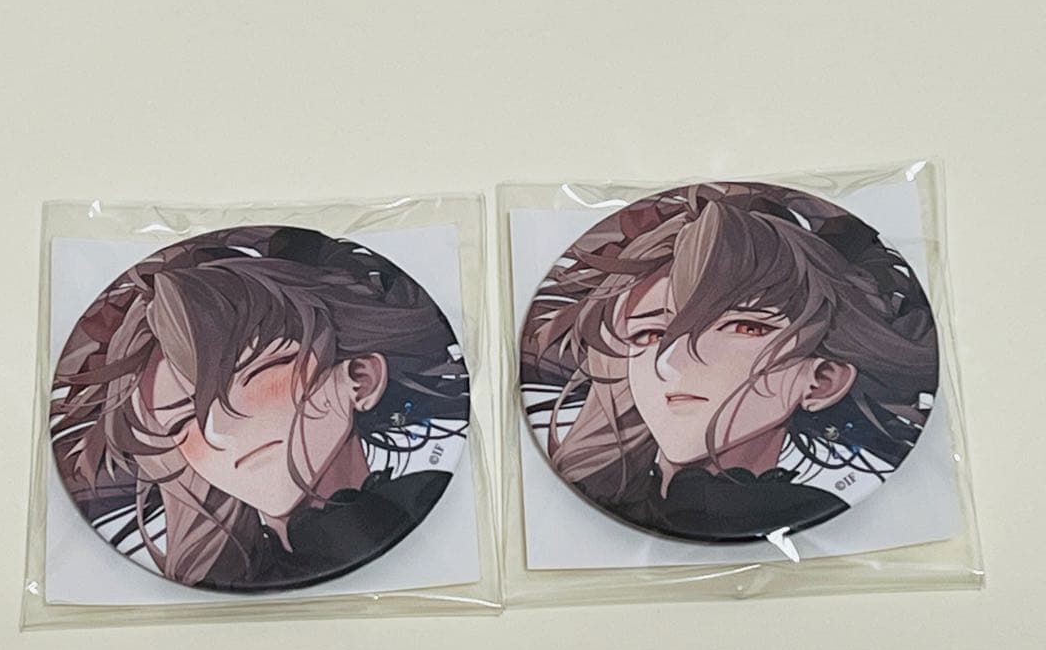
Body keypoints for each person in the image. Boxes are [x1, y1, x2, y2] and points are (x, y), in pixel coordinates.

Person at [51, 226, 468, 590]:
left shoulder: (431, 508)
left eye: (241, 382)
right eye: (182, 423)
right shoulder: (221, 572)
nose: (216, 432)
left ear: (359, 379)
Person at [520, 182, 937, 542]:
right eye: (649, 335)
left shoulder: (813, 509)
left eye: (744, 327)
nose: (671, 362)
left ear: (822, 379)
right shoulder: (584, 506)